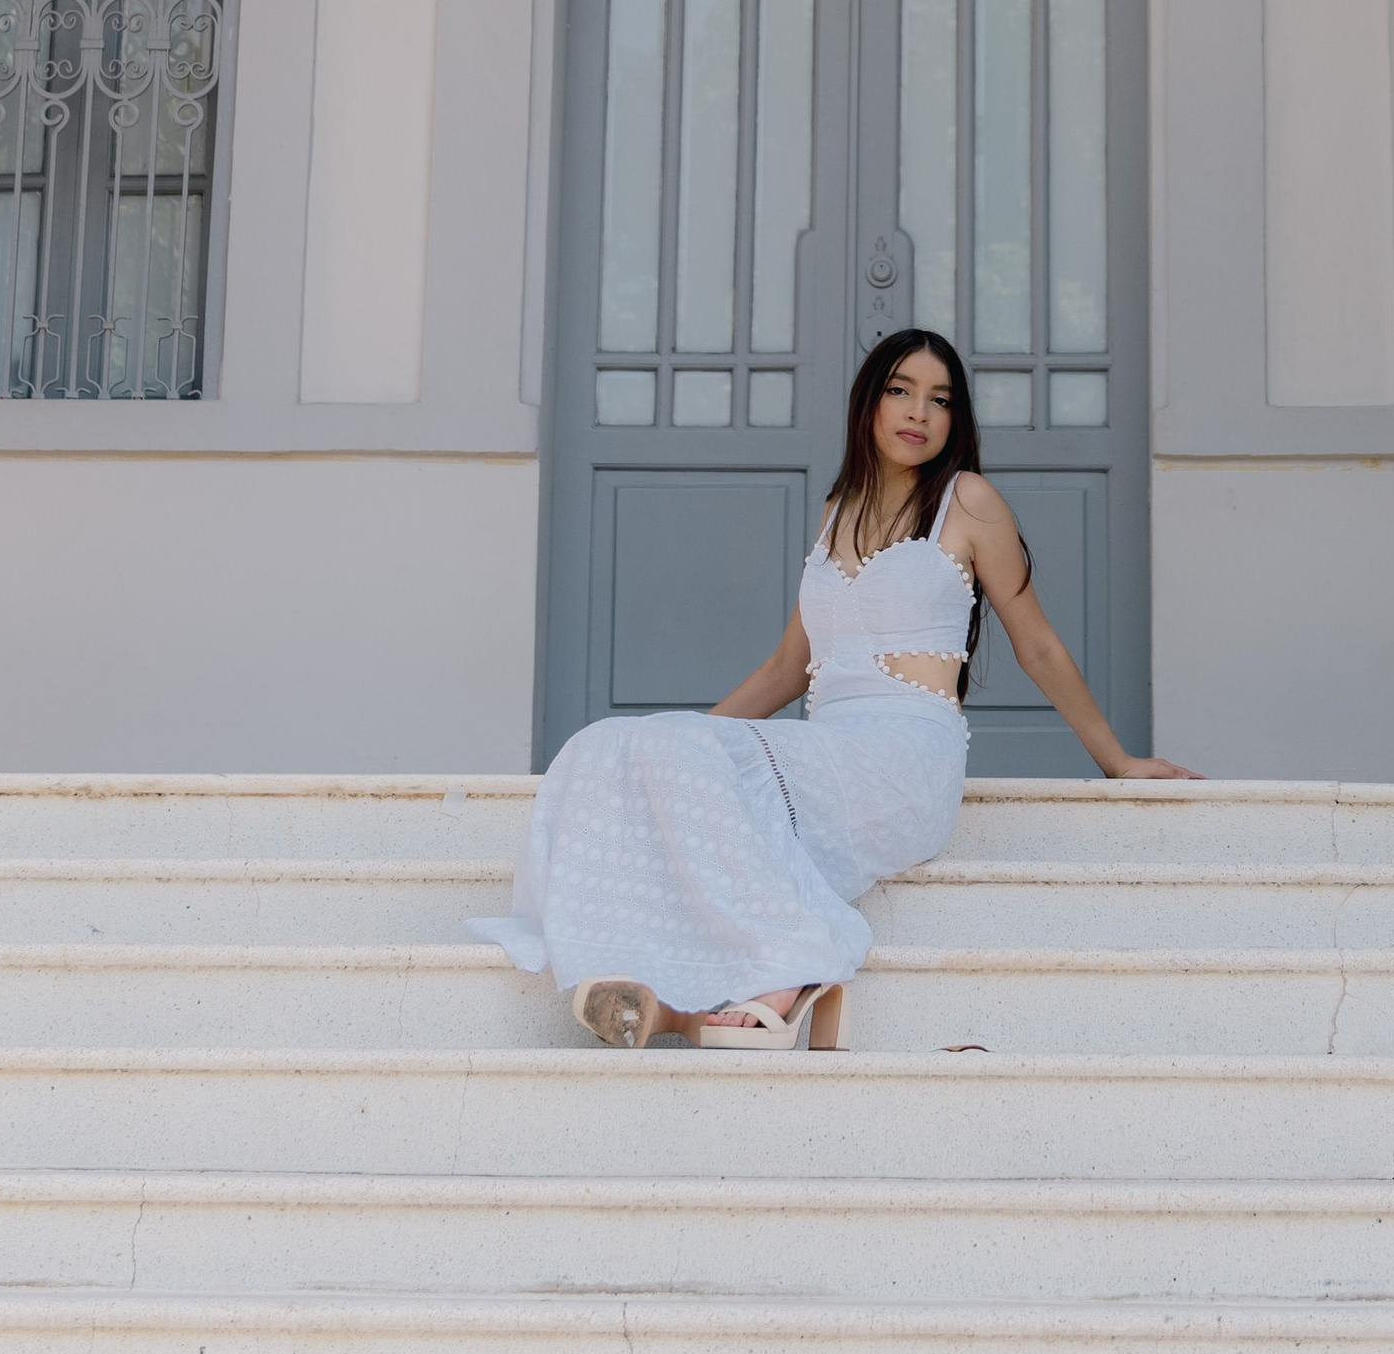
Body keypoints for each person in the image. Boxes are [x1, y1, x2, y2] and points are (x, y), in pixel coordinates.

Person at [476, 329, 1198, 1050]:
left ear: (956, 418)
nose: (919, 411)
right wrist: (680, 749)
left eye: (939, 399)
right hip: (828, 750)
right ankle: (684, 1006)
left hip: (907, 757)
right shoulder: (838, 510)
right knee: (613, 742)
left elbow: (1037, 643)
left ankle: (792, 960)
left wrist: (1119, 759)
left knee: (672, 747)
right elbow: (788, 668)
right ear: (869, 402)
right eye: (900, 390)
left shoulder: (968, 501)